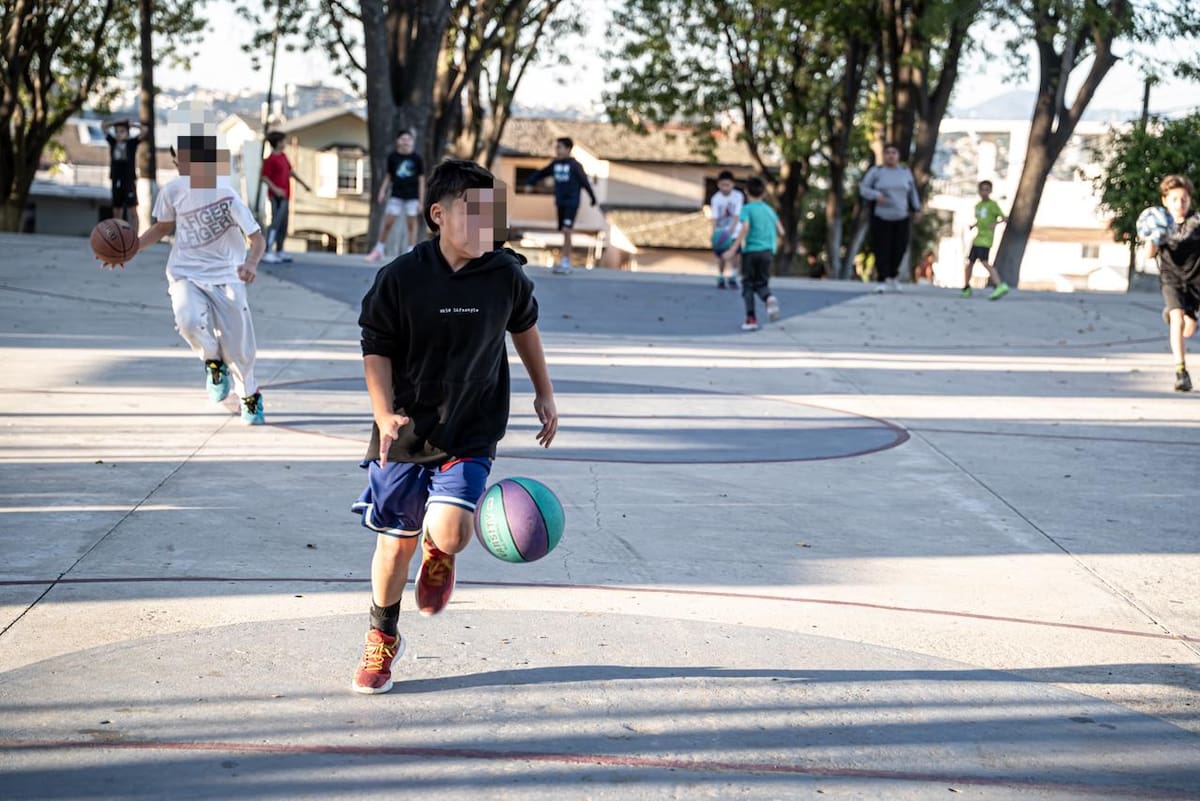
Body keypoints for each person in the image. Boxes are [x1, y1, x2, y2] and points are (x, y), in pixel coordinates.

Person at [350, 159, 559, 694]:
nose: (488, 226)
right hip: (405, 431)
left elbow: (526, 329)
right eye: (475, 213)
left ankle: (440, 556)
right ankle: (382, 636)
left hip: (472, 426)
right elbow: (376, 349)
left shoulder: (505, 275)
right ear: (439, 214)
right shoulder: (400, 278)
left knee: (448, 531)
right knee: (395, 546)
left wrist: (544, 390)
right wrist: (381, 412)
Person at [99, 133, 268, 424]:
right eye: (181, 160)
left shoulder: (226, 193)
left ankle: (249, 394)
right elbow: (162, 227)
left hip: (227, 274)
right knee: (188, 321)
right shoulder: (173, 190)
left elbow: (257, 238)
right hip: (185, 272)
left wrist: (251, 263)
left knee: (239, 345)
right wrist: (130, 250)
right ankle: (213, 363)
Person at [1145, 174, 1200, 392]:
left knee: (1189, 329)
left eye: (1184, 199)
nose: (1180, 204)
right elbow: (1149, 254)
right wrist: (1153, 237)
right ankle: (1181, 371)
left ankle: (1179, 314)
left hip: (1195, 280)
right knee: (1177, 320)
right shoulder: (1159, 223)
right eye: (1175, 199)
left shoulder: (1197, 222)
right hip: (1171, 279)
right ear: (1165, 200)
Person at [522, 137, 597, 275]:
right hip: (560, 202)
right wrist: (530, 182)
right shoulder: (555, 164)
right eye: (556, 147)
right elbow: (542, 173)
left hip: (572, 203)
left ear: (568, 149)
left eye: (560, 147)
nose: (557, 150)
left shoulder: (575, 166)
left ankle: (566, 262)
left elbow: (585, 182)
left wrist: (592, 197)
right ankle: (564, 260)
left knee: (567, 231)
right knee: (563, 231)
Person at [860, 142, 922, 293]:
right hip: (881, 216)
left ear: (898, 156)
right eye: (888, 152)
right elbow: (863, 188)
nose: (891, 155)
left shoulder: (905, 172)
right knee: (882, 248)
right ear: (884, 155)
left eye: (894, 153)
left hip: (901, 216)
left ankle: (893, 276)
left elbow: (912, 192)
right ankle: (881, 279)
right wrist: (876, 195)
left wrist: (917, 209)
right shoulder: (877, 171)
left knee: (899, 248)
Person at [726, 176, 783, 331]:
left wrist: (733, 248)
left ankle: (751, 319)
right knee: (762, 283)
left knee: (748, 285)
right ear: (764, 193)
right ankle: (768, 298)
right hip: (768, 252)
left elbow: (745, 227)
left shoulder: (747, 209)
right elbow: (781, 230)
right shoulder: (769, 210)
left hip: (751, 251)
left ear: (746, 192)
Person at [366, 130, 426, 263]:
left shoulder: (417, 158)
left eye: (408, 139)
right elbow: (388, 176)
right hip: (396, 195)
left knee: (412, 224)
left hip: (412, 196)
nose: (406, 142)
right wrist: (382, 191)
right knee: (388, 223)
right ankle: (379, 249)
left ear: (412, 142)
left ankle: (411, 251)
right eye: (403, 139)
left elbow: (421, 180)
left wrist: (421, 201)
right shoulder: (393, 157)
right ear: (398, 141)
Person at [259, 131, 310, 264]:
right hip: (276, 197)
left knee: (283, 224)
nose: (285, 143)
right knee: (275, 223)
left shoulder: (283, 156)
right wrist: (275, 190)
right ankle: (267, 251)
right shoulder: (270, 159)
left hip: (286, 195)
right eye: (283, 141)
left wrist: (304, 184)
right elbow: (264, 177)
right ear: (277, 143)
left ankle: (280, 250)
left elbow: (290, 172)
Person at [961, 180, 1010, 299]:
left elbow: (1004, 218)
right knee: (970, 263)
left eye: (987, 189)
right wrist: (974, 225)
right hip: (977, 238)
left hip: (986, 239)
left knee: (984, 262)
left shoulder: (992, 205)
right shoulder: (978, 206)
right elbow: (982, 220)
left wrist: (996, 223)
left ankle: (999, 285)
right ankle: (966, 287)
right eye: (982, 189)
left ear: (990, 191)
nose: (984, 192)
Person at [710, 170, 744, 289]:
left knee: (736, 255)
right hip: (720, 232)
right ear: (718, 185)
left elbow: (737, 215)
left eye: (727, 185)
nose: (725, 188)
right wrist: (714, 233)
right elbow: (714, 217)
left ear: (733, 184)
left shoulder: (738, 196)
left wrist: (731, 231)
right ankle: (720, 275)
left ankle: (733, 276)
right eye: (722, 185)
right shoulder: (715, 199)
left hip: (734, 231)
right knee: (721, 256)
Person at [104, 119, 141, 222]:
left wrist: (132, 125)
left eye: (122, 131)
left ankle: (135, 236)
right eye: (117, 131)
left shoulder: (132, 143)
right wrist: (115, 122)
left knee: (132, 209)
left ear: (127, 133)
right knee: (116, 209)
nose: (119, 134)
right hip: (116, 178)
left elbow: (145, 131)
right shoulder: (113, 142)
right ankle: (118, 234)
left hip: (128, 179)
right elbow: (103, 126)